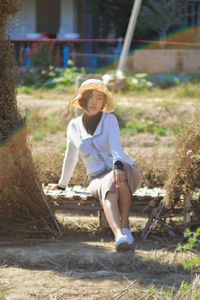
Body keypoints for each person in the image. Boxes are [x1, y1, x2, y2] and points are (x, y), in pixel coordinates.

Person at [51, 79, 142, 250]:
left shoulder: (110, 119)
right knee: (109, 185)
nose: (94, 102)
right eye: (90, 97)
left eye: (99, 98)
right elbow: (71, 158)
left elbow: (116, 146)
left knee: (117, 179)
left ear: (104, 102)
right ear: (82, 99)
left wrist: (117, 167)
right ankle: (121, 233)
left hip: (124, 169)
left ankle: (122, 230)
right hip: (97, 177)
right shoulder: (73, 126)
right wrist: (62, 185)